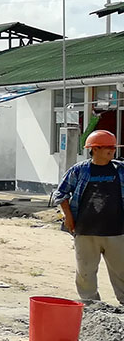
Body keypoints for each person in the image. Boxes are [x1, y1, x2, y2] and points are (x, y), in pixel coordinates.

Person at [56, 129, 124, 304]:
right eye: (106, 147)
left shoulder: (120, 170)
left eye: (113, 147)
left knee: (121, 272)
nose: (111, 150)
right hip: (85, 231)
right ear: (94, 149)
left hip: (116, 232)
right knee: (85, 272)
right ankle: (91, 305)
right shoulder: (80, 171)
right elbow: (61, 194)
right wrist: (68, 217)